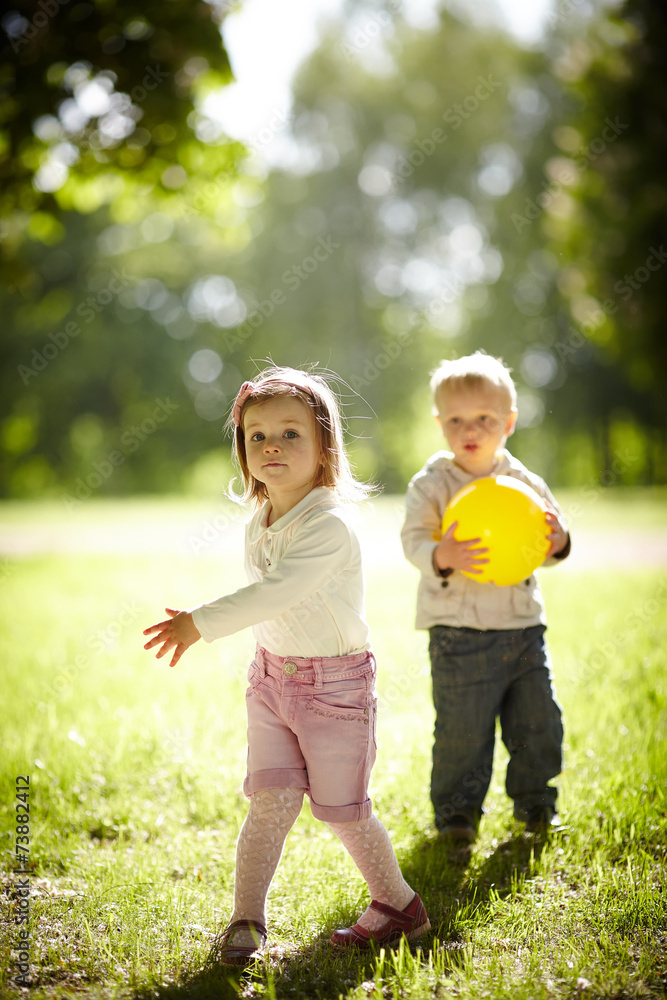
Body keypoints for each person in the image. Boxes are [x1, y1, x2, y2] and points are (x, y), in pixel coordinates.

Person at [144, 366, 429, 964]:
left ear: (325, 447)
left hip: (336, 690)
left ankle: (398, 903)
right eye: (256, 436)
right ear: (243, 451)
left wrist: (200, 622)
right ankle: (246, 919)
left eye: (291, 435)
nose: (271, 446)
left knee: (342, 812)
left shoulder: (330, 526)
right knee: (269, 803)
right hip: (271, 680)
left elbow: (278, 593)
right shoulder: (261, 519)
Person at [400, 352, 570, 845]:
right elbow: (413, 541)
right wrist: (441, 552)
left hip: (522, 627)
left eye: (484, 419)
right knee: (461, 733)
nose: (468, 430)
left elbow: (549, 541)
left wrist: (559, 539)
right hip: (457, 632)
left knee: (538, 721)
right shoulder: (431, 484)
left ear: (509, 423)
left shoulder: (525, 484)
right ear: (439, 423)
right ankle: (457, 818)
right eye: (455, 420)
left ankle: (536, 806)